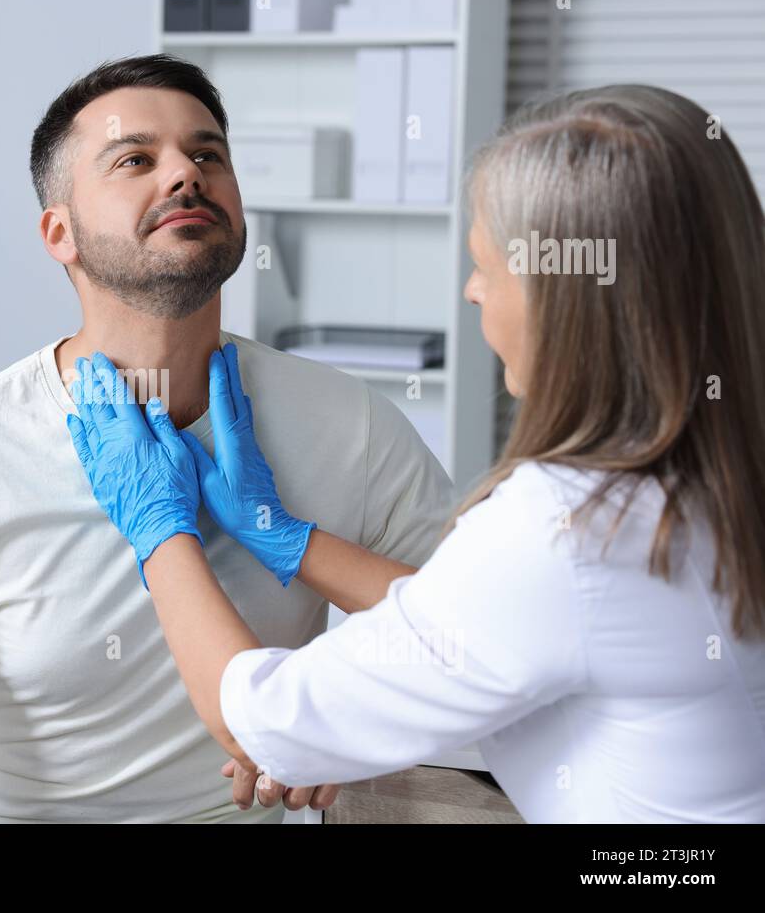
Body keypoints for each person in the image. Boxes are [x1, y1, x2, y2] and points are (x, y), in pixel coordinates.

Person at [67, 85, 765, 822]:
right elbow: (474, 627)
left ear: (570, 300)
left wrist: (160, 528)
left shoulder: (568, 529)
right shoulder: (706, 477)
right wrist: (281, 534)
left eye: (487, 267)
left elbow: (264, 720)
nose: (470, 293)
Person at [0, 54, 453, 823]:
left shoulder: (349, 424)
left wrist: (343, 722)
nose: (184, 175)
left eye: (207, 154)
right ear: (61, 232)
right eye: (135, 159)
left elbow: (471, 643)